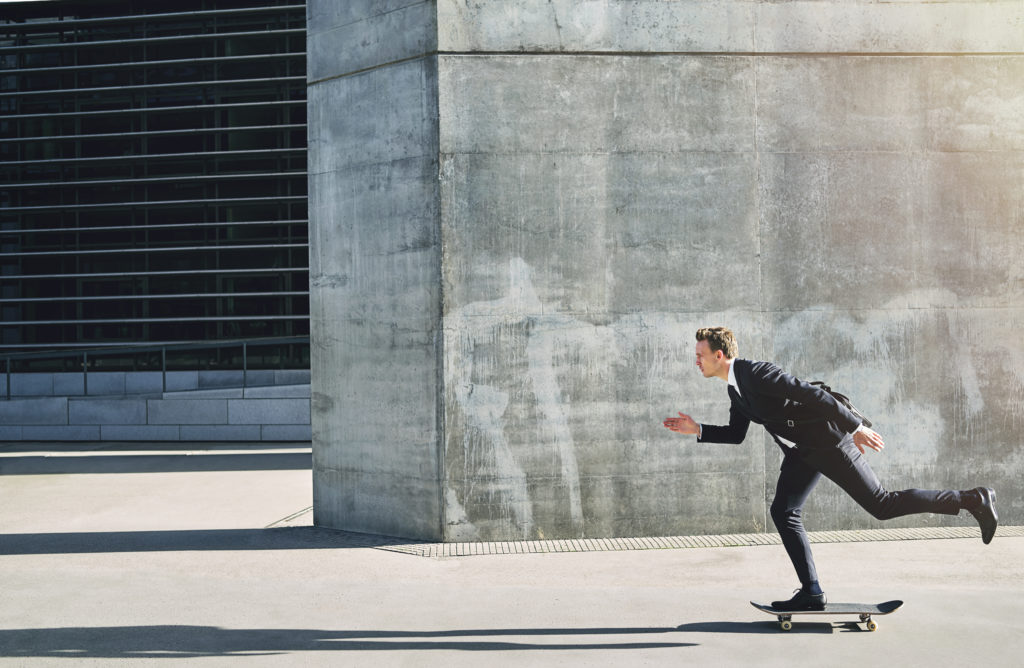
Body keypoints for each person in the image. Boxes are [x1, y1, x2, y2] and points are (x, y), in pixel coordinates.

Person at [663, 326, 998, 611]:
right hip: (803, 452)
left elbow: (811, 395)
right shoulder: (735, 390)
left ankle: (972, 499)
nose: (697, 360)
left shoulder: (756, 373)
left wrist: (854, 427)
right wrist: (699, 430)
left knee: (882, 505)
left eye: (700, 355)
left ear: (719, 355)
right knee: (783, 510)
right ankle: (811, 592)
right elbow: (737, 435)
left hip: (829, 442)